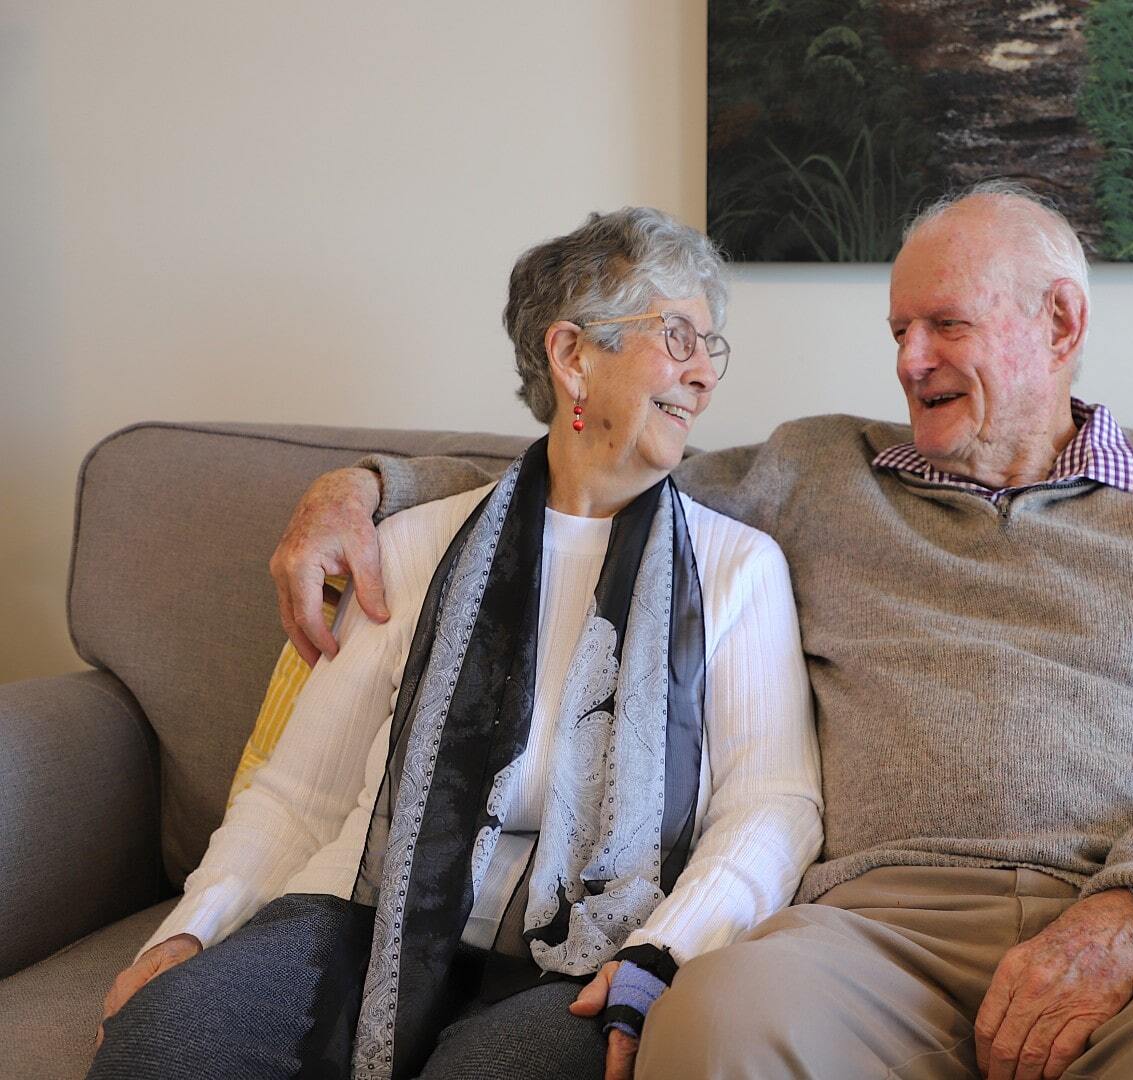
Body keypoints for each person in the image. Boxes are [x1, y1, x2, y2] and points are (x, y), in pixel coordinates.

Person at [271, 182, 1133, 1079]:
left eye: (944, 324)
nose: (906, 361)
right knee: (714, 1030)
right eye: (898, 329)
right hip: (871, 935)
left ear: (1060, 323)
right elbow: (590, 472)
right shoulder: (818, 469)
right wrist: (371, 486)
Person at [91, 207, 822, 1080]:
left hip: (594, 949)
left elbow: (772, 805)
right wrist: (191, 928)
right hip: (368, 913)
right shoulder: (412, 547)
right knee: (162, 1044)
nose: (705, 376)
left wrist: (663, 951)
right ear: (573, 356)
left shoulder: (739, 569)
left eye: (713, 347)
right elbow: (298, 795)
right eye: (679, 337)